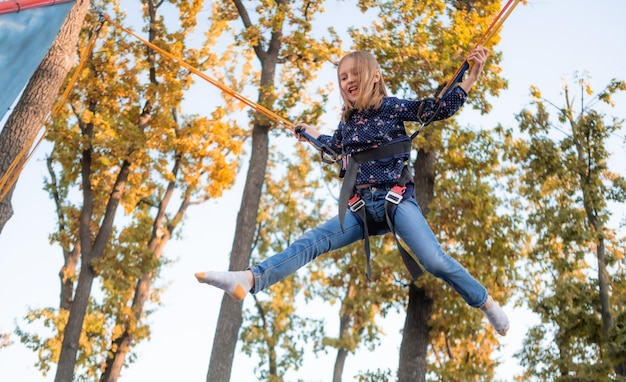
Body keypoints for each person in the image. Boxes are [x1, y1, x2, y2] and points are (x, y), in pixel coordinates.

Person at [195, 46, 509, 336]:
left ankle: (484, 302)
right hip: (359, 210)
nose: (348, 81)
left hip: (395, 202)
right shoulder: (348, 125)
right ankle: (249, 279)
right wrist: (308, 133)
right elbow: (332, 146)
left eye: (353, 74)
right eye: (343, 77)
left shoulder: (391, 108)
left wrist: (470, 78)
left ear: (373, 76)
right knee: (311, 241)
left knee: (435, 261)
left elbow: (436, 109)